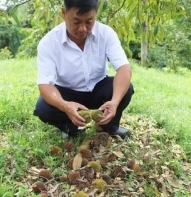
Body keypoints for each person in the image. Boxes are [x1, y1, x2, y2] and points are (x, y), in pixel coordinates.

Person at [33, 0, 134, 139]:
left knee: (126, 89)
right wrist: (64, 105)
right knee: (43, 108)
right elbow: (45, 84)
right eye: (76, 22)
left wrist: (115, 101)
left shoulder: (106, 34)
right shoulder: (49, 42)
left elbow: (124, 68)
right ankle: (72, 128)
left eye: (89, 22)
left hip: (98, 89)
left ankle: (107, 126)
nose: (83, 29)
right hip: (67, 93)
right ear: (64, 13)